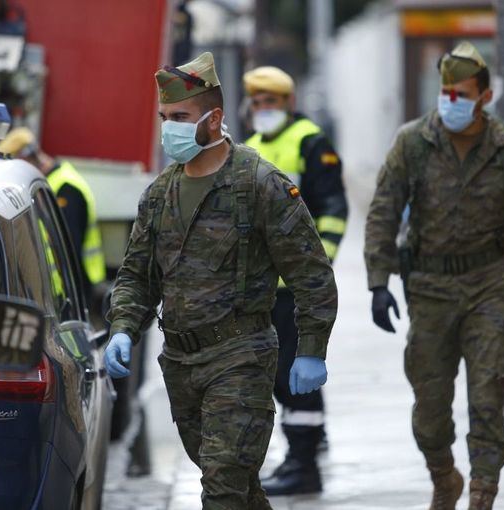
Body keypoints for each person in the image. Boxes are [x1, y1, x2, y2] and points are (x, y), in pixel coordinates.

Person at [104, 52, 338, 509]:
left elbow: (312, 274)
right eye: (164, 117)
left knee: (222, 489)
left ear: (214, 119)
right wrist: (122, 328)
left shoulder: (260, 184)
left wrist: (311, 349)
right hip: (181, 364)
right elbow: (137, 274)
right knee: (237, 488)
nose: (169, 127)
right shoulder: (160, 193)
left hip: (241, 357)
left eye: (180, 117)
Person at [364, 41, 504, 510]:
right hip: (429, 289)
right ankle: (444, 477)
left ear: (485, 98)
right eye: (445, 91)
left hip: (488, 283)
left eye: (461, 93)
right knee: (429, 411)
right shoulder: (412, 141)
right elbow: (383, 212)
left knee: (489, 394)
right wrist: (378, 282)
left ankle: (482, 494)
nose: (450, 100)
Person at [242, 65, 348, 496]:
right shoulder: (247, 148)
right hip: (263, 289)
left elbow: (334, 210)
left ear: (289, 103)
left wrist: (315, 271)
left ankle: (305, 466)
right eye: (259, 103)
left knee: (297, 374)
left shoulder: (310, 141)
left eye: (273, 102)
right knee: (275, 376)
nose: (265, 110)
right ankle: (299, 455)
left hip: (297, 288)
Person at [0, 128, 106, 300]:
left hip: (74, 293)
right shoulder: (50, 182)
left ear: (26, 157)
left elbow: (68, 250)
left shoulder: (66, 189)